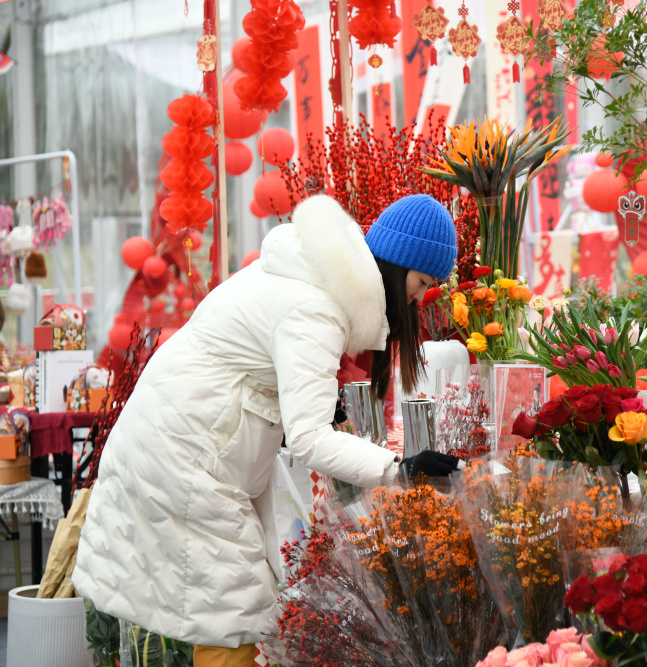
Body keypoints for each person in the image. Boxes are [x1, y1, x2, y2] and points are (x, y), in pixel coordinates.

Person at [74, 194, 462, 666]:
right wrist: (396, 469)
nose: (419, 299)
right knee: (234, 610)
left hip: (185, 435)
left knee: (228, 604)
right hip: (189, 452)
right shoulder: (316, 307)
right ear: (395, 265)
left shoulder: (306, 276)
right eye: (420, 283)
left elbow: (255, 368)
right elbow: (309, 437)